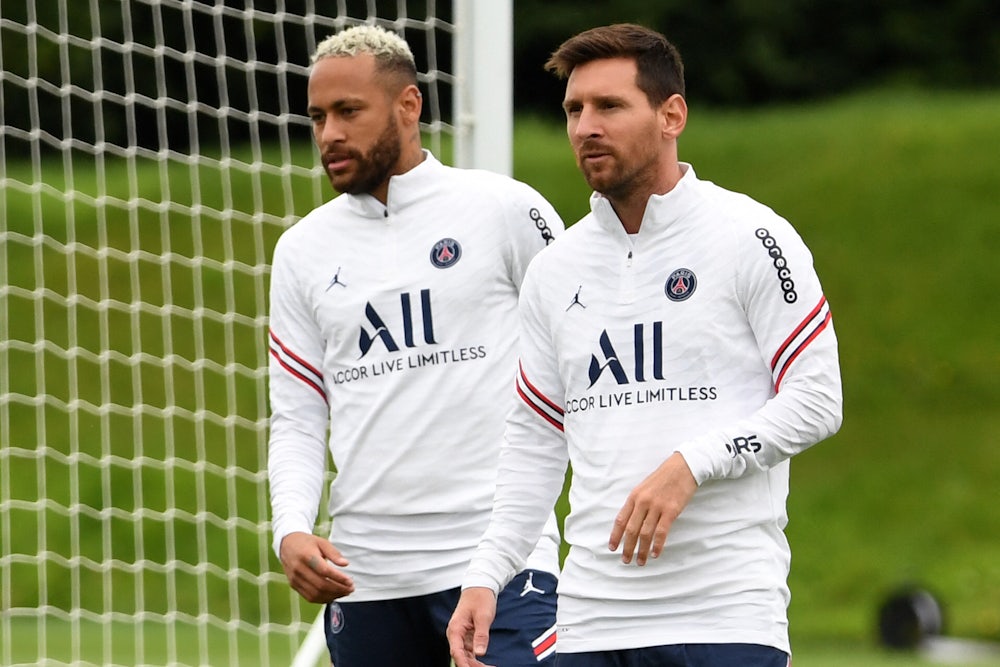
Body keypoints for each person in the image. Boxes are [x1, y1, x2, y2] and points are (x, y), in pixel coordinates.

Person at [448, 23, 843, 667]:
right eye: (574, 109)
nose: (585, 127)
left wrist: (691, 463)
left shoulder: (750, 234)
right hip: (593, 622)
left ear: (671, 115)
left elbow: (819, 398)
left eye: (610, 106)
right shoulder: (556, 269)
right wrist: (486, 574)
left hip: (726, 614)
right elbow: (535, 443)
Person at [266, 24, 564, 667]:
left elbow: (578, 364)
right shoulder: (301, 251)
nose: (329, 134)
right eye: (318, 116)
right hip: (367, 577)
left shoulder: (506, 210)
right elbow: (296, 413)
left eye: (349, 112)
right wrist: (289, 527)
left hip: (501, 563)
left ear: (408, 107)